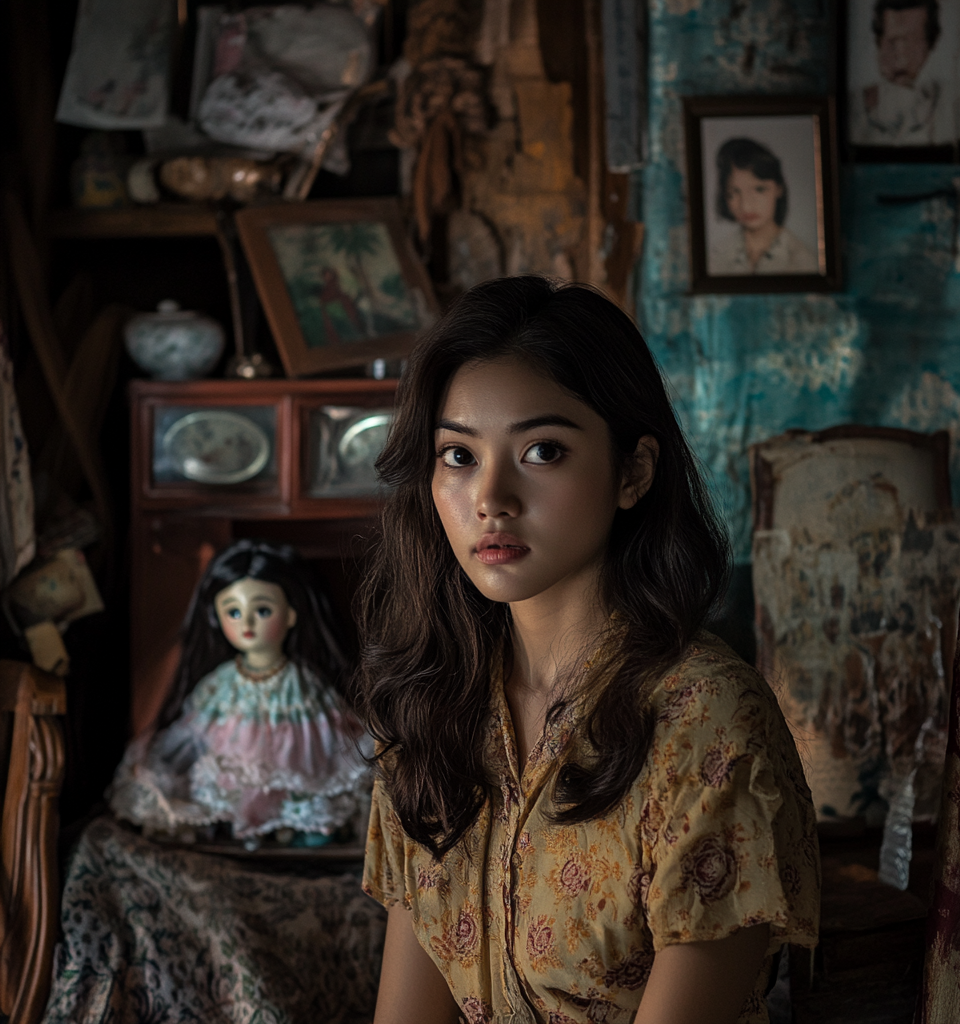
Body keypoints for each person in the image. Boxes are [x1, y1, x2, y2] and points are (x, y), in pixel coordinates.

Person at [358, 277, 820, 1024]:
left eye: (542, 450)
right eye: (457, 455)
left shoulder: (705, 722)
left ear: (634, 471)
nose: (491, 497)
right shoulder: (430, 706)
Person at [110, 539, 373, 845]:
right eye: (233, 612)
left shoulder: (301, 682)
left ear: (290, 614)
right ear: (215, 617)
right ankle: (238, 821)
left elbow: (330, 731)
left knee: (306, 783)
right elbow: (194, 733)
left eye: (262, 610)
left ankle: (294, 820)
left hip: (295, 765)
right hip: (231, 778)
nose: (246, 623)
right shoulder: (221, 683)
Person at [849, 0, 960, 146]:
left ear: (930, 43)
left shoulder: (953, 103)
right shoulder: (852, 108)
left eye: (913, 42)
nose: (902, 59)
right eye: (892, 41)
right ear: (879, 41)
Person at [707, 138, 819, 277]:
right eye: (734, 193)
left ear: (778, 189)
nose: (746, 205)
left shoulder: (804, 261)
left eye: (759, 189)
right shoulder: (715, 259)